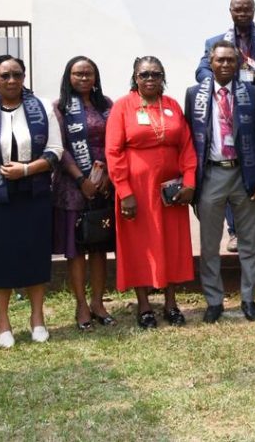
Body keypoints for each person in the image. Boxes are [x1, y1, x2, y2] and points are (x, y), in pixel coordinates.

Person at [0, 55, 63, 348]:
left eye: (17, 74)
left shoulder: (42, 107)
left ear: (24, 77)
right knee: (0, 259)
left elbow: (56, 150)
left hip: (34, 196)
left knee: (35, 257)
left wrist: (27, 169)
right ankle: (2, 322)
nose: (12, 80)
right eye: (4, 75)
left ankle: (37, 318)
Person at [106, 56, 196, 329]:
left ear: (162, 77)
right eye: (144, 74)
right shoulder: (123, 106)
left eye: (155, 74)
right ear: (135, 77)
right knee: (140, 245)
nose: (150, 79)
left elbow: (187, 146)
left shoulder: (171, 105)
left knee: (172, 243)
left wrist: (189, 182)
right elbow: (113, 152)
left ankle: (171, 303)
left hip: (170, 191)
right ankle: (144, 305)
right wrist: (125, 192)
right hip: (138, 190)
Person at [186, 40, 255, 323]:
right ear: (210, 63)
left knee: (248, 242)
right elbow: (189, 141)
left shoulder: (251, 93)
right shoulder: (194, 95)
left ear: (237, 64)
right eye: (220, 60)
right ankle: (214, 301)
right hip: (211, 174)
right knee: (210, 244)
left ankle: (248, 299)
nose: (225, 64)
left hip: (244, 174)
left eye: (230, 60)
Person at [195, 0, 255, 251]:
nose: (242, 13)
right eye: (237, 9)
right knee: (233, 170)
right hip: (228, 109)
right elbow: (201, 71)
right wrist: (226, 80)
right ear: (230, 11)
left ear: (254, 10)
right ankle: (235, 232)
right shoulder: (216, 42)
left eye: (247, 9)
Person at [52, 56, 116, 330]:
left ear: (95, 77)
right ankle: (81, 305)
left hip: (104, 184)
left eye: (88, 73)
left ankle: (98, 303)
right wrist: (81, 180)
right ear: (69, 77)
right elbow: (60, 147)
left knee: (99, 247)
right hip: (73, 186)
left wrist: (109, 175)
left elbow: (116, 141)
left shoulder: (107, 105)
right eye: (78, 74)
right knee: (76, 249)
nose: (83, 78)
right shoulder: (60, 107)